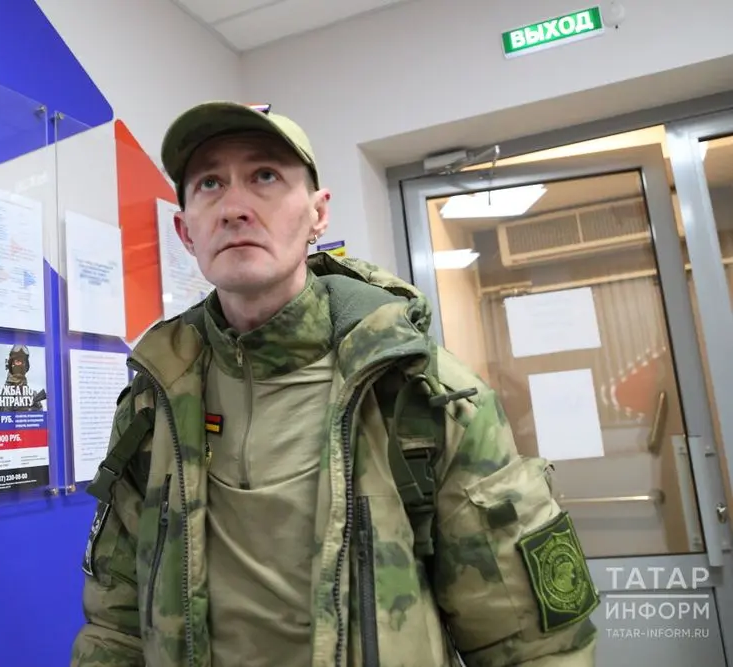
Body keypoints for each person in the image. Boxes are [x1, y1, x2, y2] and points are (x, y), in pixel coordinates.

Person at [70, 102, 600, 667]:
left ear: (318, 214)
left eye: (265, 176)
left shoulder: (422, 391)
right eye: (209, 184)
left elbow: (535, 646)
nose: (235, 208)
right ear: (185, 231)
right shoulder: (153, 401)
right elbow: (116, 627)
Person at [0, 345, 46, 412]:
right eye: (17, 361)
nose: (20, 364)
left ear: (25, 366)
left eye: (22, 362)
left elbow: (41, 416)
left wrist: (30, 410)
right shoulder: (1, 394)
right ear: (11, 364)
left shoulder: (32, 395)